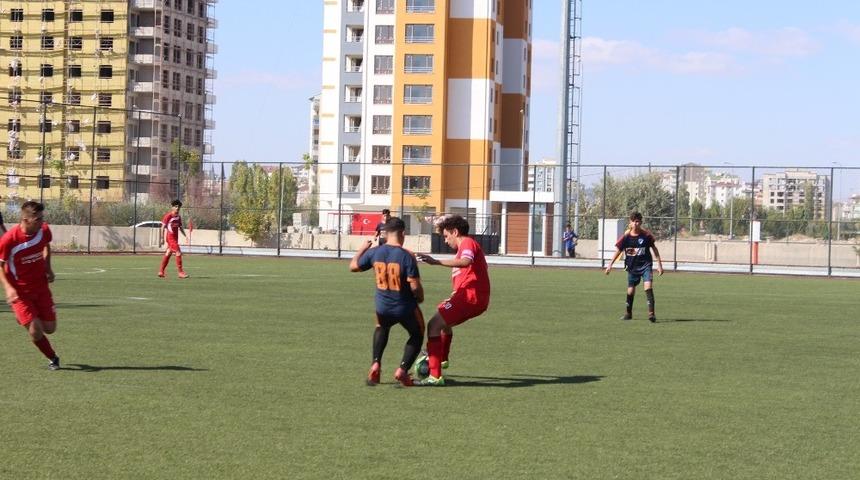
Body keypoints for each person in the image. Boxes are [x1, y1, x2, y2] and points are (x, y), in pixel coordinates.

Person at [415, 214, 491, 386]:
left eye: (446, 236)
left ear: (455, 232)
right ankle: (442, 359)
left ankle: (435, 376)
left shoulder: (466, 243)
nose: (446, 240)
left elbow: (465, 262)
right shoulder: (463, 247)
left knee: (433, 325)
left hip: (471, 296)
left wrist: (436, 262)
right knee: (442, 318)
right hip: (470, 297)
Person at [350, 216, 425, 387]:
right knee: (417, 333)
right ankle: (403, 371)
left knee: (381, 327)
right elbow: (415, 286)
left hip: (382, 307)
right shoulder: (407, 255)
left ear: (386, 233)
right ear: (403, 233)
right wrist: (420, 297)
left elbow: (353, 266)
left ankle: (376, 363)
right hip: (404, 307)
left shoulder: (375, 252)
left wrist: (362, 249)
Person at [0, 201, 60, 370]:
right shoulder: (9, 240)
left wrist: (48, 268)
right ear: (25, 220)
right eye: (37, 220)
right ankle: (52, 357)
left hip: (41, 288)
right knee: (35, 330)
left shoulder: (44, 230)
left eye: (42, 218)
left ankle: (29, 317)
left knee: (50, 328)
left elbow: (46, 246)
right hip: (20, 293)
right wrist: (8, 288)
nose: (42, 222)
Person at [605, 211, 664, 322]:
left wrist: (659, 264)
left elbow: (654, 249)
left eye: (638, 221)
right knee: (631, 290)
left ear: (641, 222)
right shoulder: (626, 237)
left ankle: (651, 314)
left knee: (648, 287)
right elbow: (618, 251)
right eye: (634, 221)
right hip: (632, 267)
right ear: (630, 223)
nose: (636, 224)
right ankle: (628, 313)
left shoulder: (646, 235)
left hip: (646, 265)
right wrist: (610, 265)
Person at [158, 200, 189, 278]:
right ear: (172, 207)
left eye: (178, 206)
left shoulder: (178, 217)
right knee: (178, 252)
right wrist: (161, 238)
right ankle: (180, 272)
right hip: (170, 238)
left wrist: (185, 235)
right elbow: (162, 227)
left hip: (175, 238)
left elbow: (180, 227)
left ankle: (161, 271)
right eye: (175, 206)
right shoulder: (168, 216)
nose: (177, 208)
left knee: (168, 253)